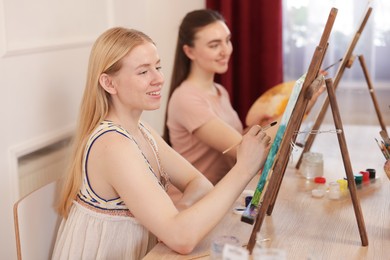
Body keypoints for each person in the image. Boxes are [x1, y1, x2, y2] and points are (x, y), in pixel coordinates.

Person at [52, 27, 271, 259]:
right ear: (109, 83)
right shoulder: (113, 145)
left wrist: (177, 216)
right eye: (143, 72)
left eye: (157, 67)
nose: (159, 79)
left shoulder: (142, 130)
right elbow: (182, 239)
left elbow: (200, 184)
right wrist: (244, 168)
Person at [164, 9, 325, 187]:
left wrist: (262, 126)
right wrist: (297, 107)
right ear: (189, 51)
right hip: (197, 203)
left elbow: (235, 141)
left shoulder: (219, 91)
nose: (226, 50)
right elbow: (244, 151)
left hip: (223, 193)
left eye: (227, 40)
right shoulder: (186, 99)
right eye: (214, 45)